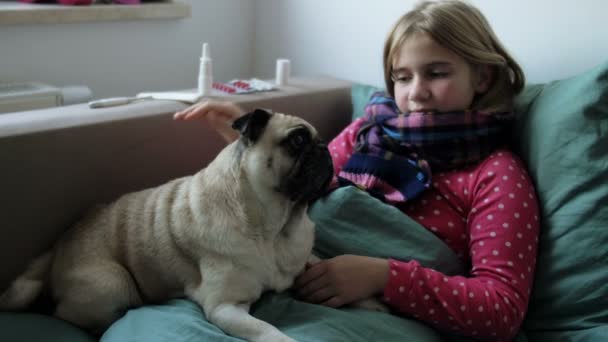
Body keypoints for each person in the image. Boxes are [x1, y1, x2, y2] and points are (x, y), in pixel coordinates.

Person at [173, 1, 540, 340]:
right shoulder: (370, 131)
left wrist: (381, 277)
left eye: (436, 73)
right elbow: (305, 189)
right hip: (279, 278)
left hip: (383, 317)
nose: (416, 93)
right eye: (402, 77)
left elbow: (501, 309)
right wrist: (253, 145)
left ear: (483, 78)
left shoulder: (495, 174)